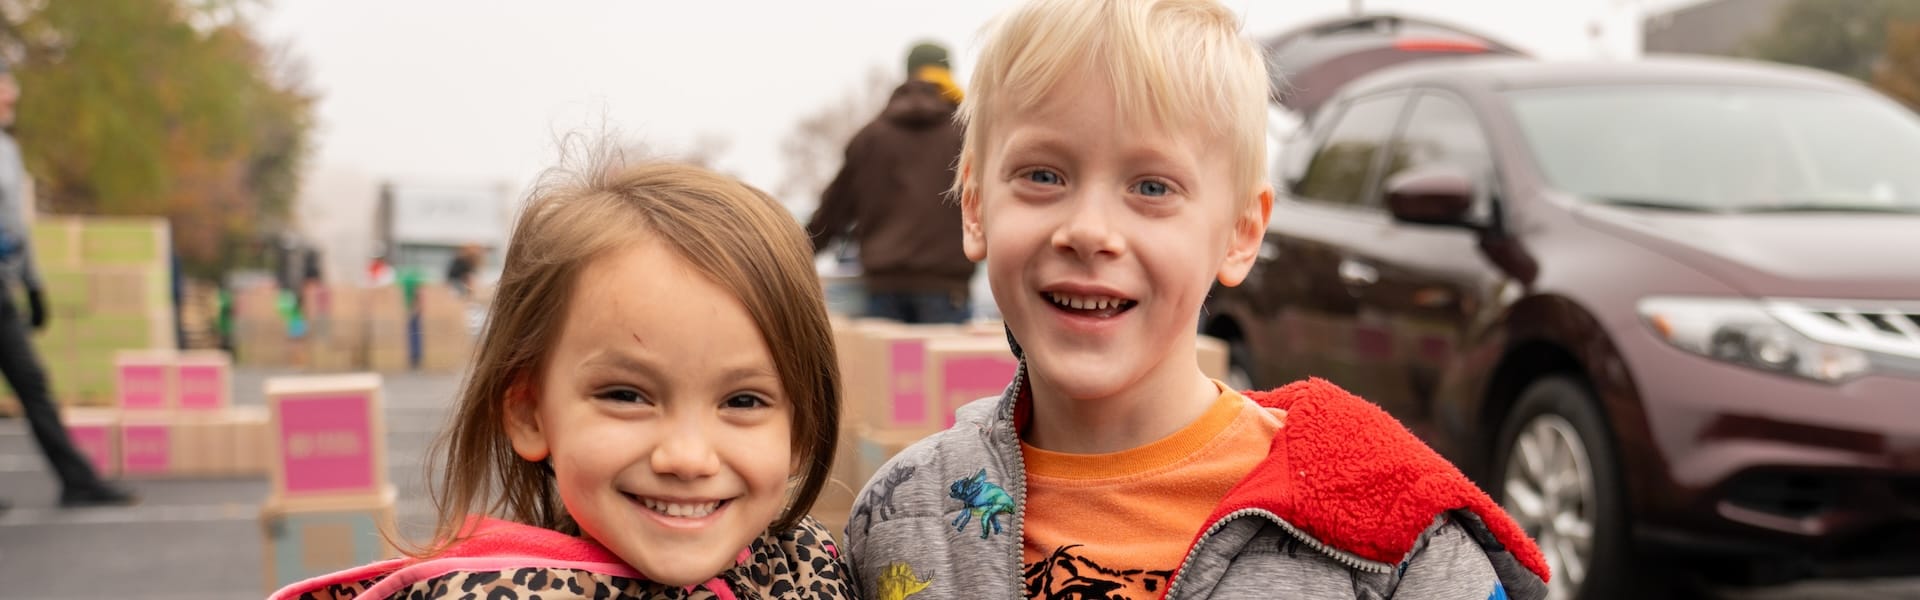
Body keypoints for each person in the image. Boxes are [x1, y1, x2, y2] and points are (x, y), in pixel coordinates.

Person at [840, 1, 1553, 598]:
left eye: (1152, 188)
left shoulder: (1388, 544)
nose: (1089, 231)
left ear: (1241, 233)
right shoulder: (904, 514)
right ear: (974, 208)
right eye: (1042, 175)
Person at [272, 159, 854, 598]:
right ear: (529, 413)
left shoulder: (809, 567)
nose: (687, 456)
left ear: (802, 428)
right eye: (627, 396)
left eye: (744, 400)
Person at [0, 57, 137, 512]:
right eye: (5, 89)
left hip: (3, 288)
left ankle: (76, 480)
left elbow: (16, 225)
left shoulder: (7, 151)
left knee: (32, 383)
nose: (11, 97)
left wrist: (33, 285)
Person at [805, 42, 973, 324]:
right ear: (947, 74)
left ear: (907, 75)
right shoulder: (966, 135)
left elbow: (833, 209)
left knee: (895, 368)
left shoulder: (870, 138)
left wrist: (797, 252)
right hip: (946, 290)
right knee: (940, 367)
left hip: (884, 290)